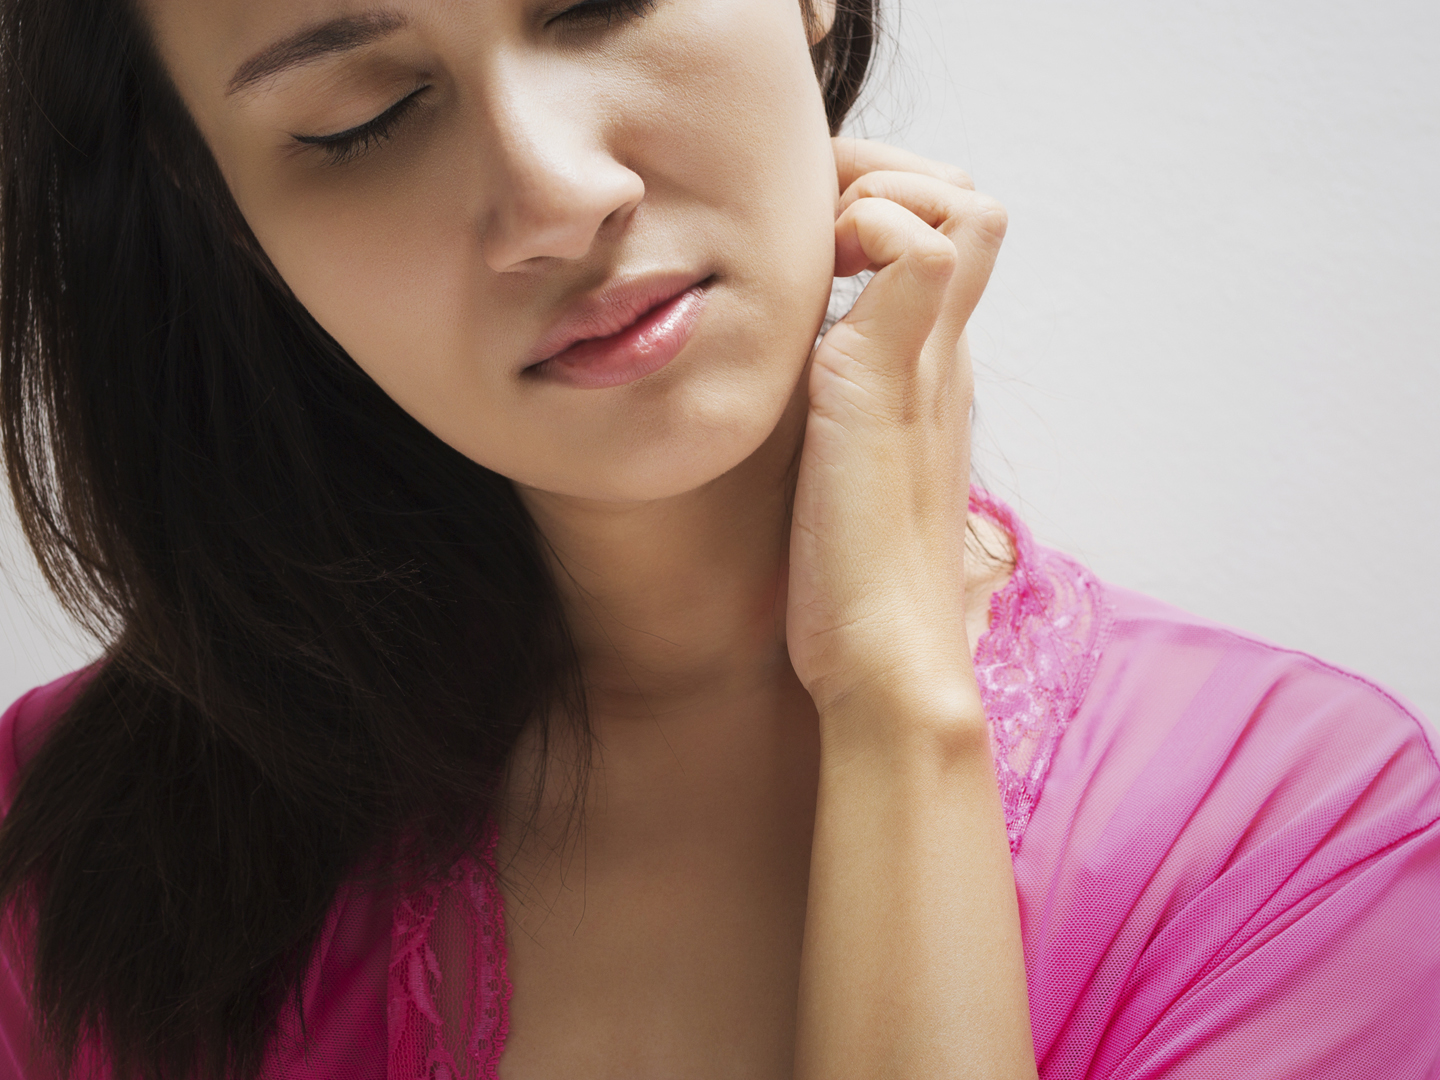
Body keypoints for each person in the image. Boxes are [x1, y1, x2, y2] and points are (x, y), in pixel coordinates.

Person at [0, 0, 1435, 1076]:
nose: (559, 197)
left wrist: (896, 710)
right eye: (364, 118)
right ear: (220, 210)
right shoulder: (66, 848)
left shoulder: (1294, 837)